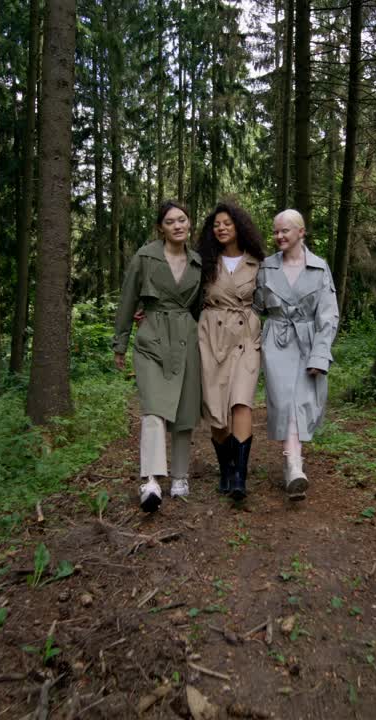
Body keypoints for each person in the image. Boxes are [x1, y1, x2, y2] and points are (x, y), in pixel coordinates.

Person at [113, 200, 204, 512]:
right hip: (151, 338)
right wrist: (120, 342)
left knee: (183, 410)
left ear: (189, 223)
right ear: (160, 228)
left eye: (182, 219)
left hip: (186, 339)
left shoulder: (198, 262)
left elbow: (202, 306)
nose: (177, 225)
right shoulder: (146, 256)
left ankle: (179, 476)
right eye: (170, 222)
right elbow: (128, 298)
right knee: (153, 409)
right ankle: (151, 480)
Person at [254, 209, 339, 500]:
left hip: (308, 341)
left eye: (285, 231)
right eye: (275, 231)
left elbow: (328, 316)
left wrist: (320, 355)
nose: (278, 236)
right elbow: (254, 308)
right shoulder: (266, 267)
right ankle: (293, 465)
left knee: (304, 402)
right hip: (276, 341)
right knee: (286, 402)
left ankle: (293, 463)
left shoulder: (319, 267)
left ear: (301, 232)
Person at [196, 202, 266, 500]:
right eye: (216, 225)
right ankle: (224, 468)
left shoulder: (258, 263)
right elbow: (182, 296)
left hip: (246, 336)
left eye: (227, 223)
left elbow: (269, 300)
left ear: (239, 226)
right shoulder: (203, 262)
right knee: (216, 409)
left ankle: (239, 475)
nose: (221, 228)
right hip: (211, 334)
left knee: (241, 402)